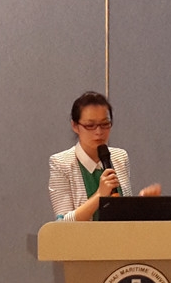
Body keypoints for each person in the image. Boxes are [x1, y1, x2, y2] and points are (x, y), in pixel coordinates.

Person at [49, 91, 161, 221]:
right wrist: (99, 195)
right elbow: (62, 224)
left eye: (105, 124)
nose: (99, 132)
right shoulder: (61, 163)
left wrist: (141, 204)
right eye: (90, 125)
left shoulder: (119, 157)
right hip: (83, 235)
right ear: (75, 126)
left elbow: (121, 216)